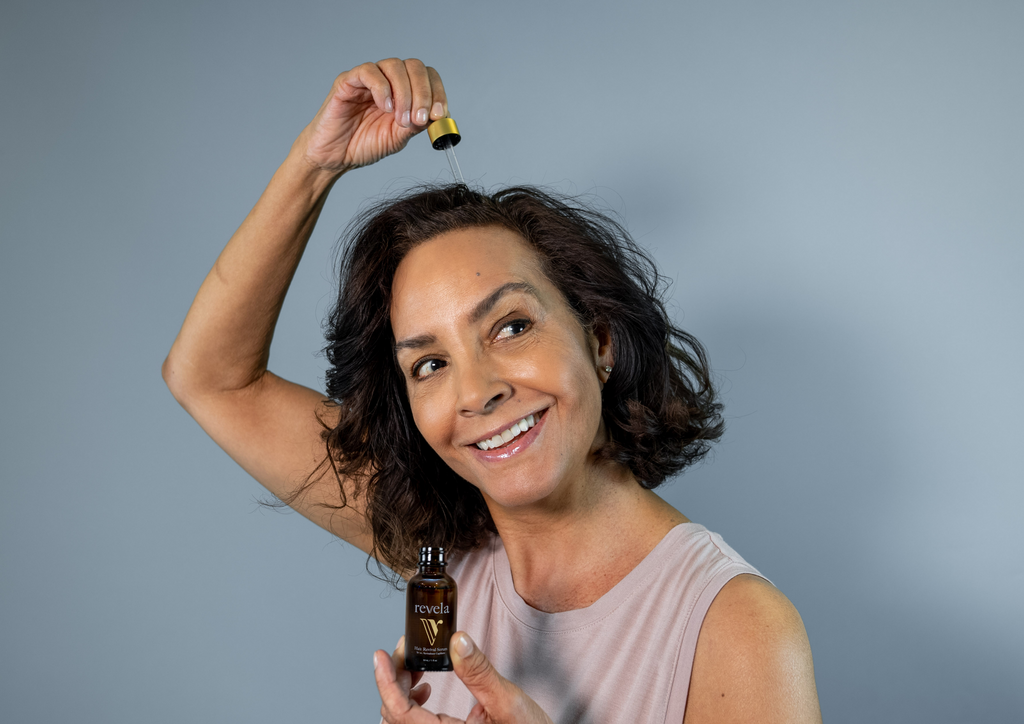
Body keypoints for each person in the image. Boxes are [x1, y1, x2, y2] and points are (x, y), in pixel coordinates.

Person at [162, 58, 822, 723]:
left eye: (510, 326)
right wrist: (316, 164)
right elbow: (211, 378)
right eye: (429, 365)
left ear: (600, 342)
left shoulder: (736, 627)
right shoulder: (442, 545)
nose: (475, 392)